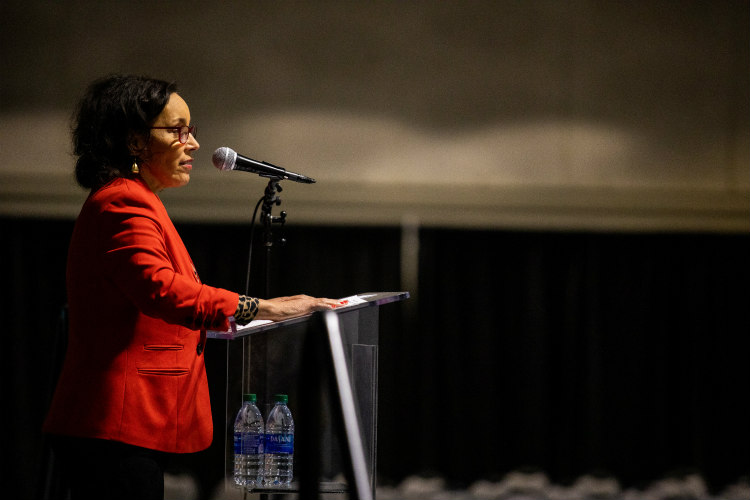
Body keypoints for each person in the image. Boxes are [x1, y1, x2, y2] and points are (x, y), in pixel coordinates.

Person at [42, 74, 341, 499]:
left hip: (125, 426)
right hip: (115, 424)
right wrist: (268, 308)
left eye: (191, 130)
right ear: (134, 142)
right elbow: (162, 291)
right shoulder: (122, 201)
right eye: (177, 130)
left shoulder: (135, 198)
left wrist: (229, 322)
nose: (194, 143)